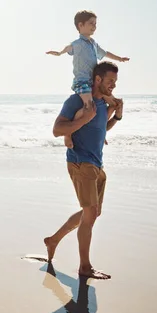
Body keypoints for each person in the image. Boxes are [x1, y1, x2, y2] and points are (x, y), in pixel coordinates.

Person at [44, 61, 123, 280]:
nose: (113, 86)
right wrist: (84, 120)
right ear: (97, 79)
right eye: (110, 81)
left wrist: (116, 116)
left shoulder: (100, 104)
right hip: (80, 163)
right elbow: (57, 130)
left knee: (93, 213)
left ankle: (53, 240)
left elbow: (100, 130)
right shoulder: (77, 102)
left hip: (97, 164)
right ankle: (85, 267)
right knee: (90, 214)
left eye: (115, 82)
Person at [46, 10, 129, 149]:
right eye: (91, 23)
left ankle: (100, 134)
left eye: (95, 24)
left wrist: (119, 58)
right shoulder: (77, 43)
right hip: (83, 82)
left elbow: (106, 53)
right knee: (89, 108)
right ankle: (68, 134)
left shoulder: (94, 44)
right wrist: (60, 53)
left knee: (115, 103)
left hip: (94, 83)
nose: (94, 26)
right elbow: (68, 47)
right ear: (80, 25)